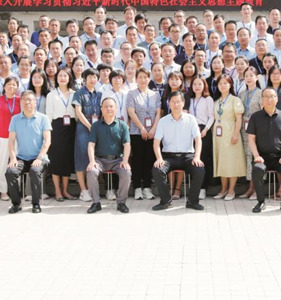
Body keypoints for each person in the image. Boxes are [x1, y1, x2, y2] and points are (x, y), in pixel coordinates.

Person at [151, 92, 206, 211]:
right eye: (173, 102)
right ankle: (165, 201)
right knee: (157, 169)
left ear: (183, 103)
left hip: (187, 156)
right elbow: (156, 142)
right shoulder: (163, 121)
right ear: (169, 103)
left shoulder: (191, 119)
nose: (176, 104)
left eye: (178, 102)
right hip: (168, 157)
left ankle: (192, 201)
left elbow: (198, 140)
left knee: (199, 169)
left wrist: (197, 157)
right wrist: (159, 158)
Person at [247, 87, 281, 213]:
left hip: (280, 157)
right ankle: (261, 202)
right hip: (261, 157)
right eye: (266, 97)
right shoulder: (255, 117)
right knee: (257, 170)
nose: (269, 99)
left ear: (277, 99)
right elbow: (251, 139)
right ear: (262, 99)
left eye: (272, 96)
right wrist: (256, 156)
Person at [5, 91, 52, 214]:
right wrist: (13, 158)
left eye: (30, 100)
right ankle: (16, 203)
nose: (27, 102)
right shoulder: (15, 119)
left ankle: (36, 203)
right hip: (21, 157)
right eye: (24, 99)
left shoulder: (43, 118)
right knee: (10, 172)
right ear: (20, 102)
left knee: (35, 171)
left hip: (39, 158)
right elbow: (11, 141)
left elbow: (47, 141)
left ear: (35, 102)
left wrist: (39, 158)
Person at [85, 97, 132, 214]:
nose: (108, 109)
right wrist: (92, 161)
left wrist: (125, 160)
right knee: (91, 171)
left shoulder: (122, 125)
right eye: (105, 106)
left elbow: (127, 145)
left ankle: (121, 202)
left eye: (111, 106)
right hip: (100, 160)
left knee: (126, 172)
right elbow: (91, 145)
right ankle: (96, 203)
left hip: (118, 160)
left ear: (116, 108)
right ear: (101, 109)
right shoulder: (96, 125)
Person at [126, 68, 161, 200]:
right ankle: (137, 188)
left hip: (152, 132)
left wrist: (153, 129)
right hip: (137, 132)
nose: (143, 79)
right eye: (140, 77)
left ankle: (147, 187)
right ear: (136, 79)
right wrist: (141, 128)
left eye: (145, 77)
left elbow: (158, 113)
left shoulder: (155, 94)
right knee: (137, 160)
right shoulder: (131, 94)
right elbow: (131, 112)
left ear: (149, 79)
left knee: (149, 159)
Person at [212, 75, 246, 201]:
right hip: (218, 135)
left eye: (225, 83)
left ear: (230, 84)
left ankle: (231, 190)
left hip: (231, 132)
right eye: (220, 83)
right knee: (222, 161)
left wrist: (236, 134)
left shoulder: (235, 100)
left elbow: (239, 119)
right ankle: (223, 189)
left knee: (232, 162)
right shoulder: (217, 101)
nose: (222, 85)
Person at [45, 68, 77, 201]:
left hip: (71, 127)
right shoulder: (51, 95)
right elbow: (48, 115)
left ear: (69, 78)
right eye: (60, 76)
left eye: (65, 76)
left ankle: (65, 190)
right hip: (57, 128)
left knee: (67, 160)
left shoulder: (74, 93)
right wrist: (48, 132)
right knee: (56, 160)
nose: (62, 78)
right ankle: (57, 191)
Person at [72, 68, 102, 202]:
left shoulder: (99, 94)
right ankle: (83, 190)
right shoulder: (79, 93)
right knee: (81, 157)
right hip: (83, 128)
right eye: (90, 77)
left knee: (95, 157)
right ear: (84, 79)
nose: (92, 79)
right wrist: (89, 126)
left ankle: (92, 189)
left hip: (97, 127)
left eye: (95, 77)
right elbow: (78, 112)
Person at [0, 77, 22, 201]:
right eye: (9, 84)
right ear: (4, 87)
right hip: (1, 138)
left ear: (17, 87)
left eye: (14, 84)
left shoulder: (20, 101)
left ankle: (15, 189)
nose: (11, 86)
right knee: (1, 164)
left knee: (16, 164)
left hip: (17, 138)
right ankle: (3, 191)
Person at [187, 77, 214, 200]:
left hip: (204, 130)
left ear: (204, 86)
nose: (197, 86)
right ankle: (194, 187)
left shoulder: (208, 99)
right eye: (194, 84)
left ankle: (202, 188)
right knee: (192, 159)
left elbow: (212, 116)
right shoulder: (190, 99)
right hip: (191, 130)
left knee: (202, 159)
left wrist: (206, 129)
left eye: (200, 84)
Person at [238, 68, 262, 199]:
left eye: (251, 75)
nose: (248, 78)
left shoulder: (261, 93)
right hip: (244, 128)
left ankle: (258, 189)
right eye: (246, 76)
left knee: (256, 157)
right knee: (248, 157)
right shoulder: (242, 94)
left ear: (257, 77)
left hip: (257, 129)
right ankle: (250, 187)